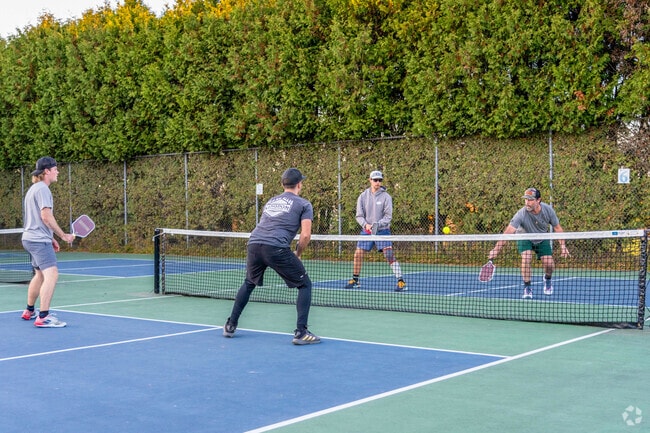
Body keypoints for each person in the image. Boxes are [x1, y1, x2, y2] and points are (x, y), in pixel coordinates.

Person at [223, 168, 320, 345]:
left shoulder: (271, 201)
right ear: (299, 184)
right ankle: (301, 332)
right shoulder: (304, 204)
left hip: (254, 244)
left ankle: (230, 325)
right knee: (305, 284)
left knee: (249, 283)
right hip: (275, 247)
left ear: (283, 184)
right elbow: (305, 235)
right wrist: (297, 253)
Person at [21, 157, 76, 327]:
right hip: (38, 241)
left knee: (39, 274)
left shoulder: (33, 189)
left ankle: (29, 311)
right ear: (47, 172)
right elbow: (45, 216)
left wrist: (50, 237)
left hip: (30, 238)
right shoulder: (43, 189)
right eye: (55, 169)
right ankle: (43, 316)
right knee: (51, 274)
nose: (57, 171)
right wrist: (63, 235)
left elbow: (37, 218)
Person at [488, 187, 570, 299]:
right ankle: (527, 287)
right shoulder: (521, 214)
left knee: (549, 264)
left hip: (541, 238)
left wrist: (563, 246)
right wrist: (496, 249)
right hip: (524, 237)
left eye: (530, 200)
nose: (527, 202)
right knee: (526, 258)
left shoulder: (548, 211)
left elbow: (558, 228)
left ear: (538, 200)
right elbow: (508, 232)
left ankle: (547, 279)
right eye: (526, 199)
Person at [345, 170, 407, 292]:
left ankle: (401, 281)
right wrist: (366, 225)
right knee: (358, 254)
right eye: (375, 180)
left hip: (382, 231)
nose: (377, 182)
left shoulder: (386, 197)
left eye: (380, 180)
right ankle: (356, 280)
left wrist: (377, 225)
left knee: (389, 254)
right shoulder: (363, 196)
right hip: (367, 232)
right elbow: (359, 215)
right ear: (370, 180)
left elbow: (388, 216)